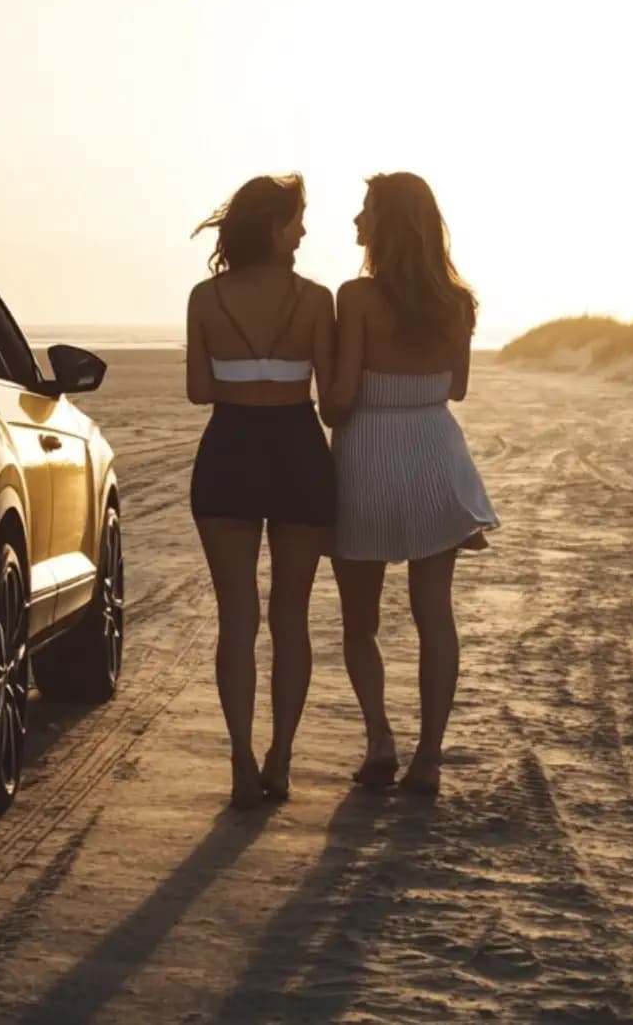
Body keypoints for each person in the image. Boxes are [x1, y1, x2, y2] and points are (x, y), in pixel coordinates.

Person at [324, 172, 498, 796]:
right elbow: (459, 388)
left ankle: (380, 740)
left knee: (359, 621)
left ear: (389, 222)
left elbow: (339, 401)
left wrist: (325, 385)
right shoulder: (458, 302)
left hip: (365, 458)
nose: (356, 220)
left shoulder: (355, 297)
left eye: (365, 209)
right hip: (432, 454)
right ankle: (428, 757)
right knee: (435, 616)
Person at [186, 173, 338, 808]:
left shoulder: (205, 297)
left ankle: (242, 759)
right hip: (298, 453)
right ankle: (281, 757)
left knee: (237, 618)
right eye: (297, 219)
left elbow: (199, 390)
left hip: (230, 452)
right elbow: (331, 400)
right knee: (291, 618)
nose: (303, 231)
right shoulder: (316, 299)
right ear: (274, 227)